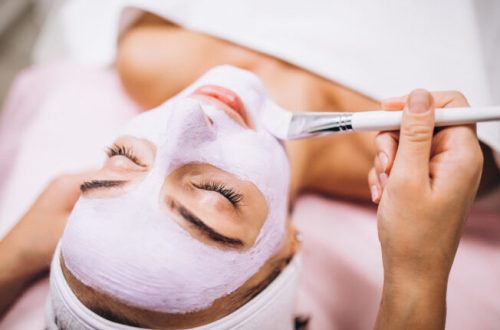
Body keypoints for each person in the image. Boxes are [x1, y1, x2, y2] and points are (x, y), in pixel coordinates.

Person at [0, 60, 485, 328]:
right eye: (216, 195)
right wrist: (417, 274)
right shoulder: (478, 170)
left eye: (120, 160)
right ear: (289, 248)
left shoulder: (142, 58)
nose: (187, 115)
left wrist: (13, 255)